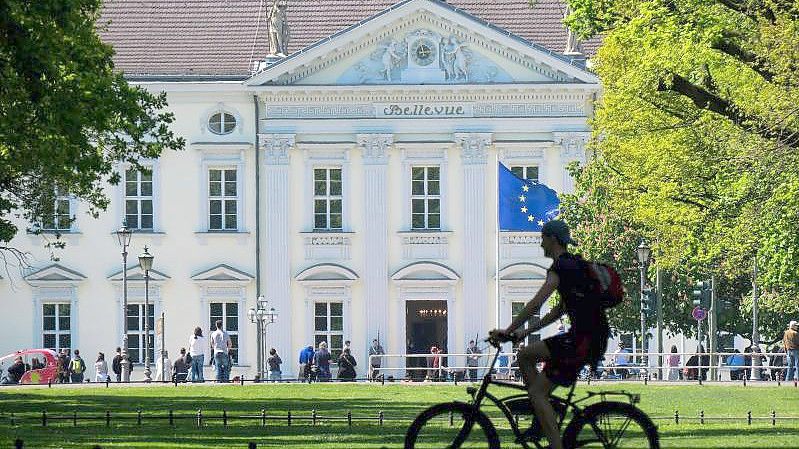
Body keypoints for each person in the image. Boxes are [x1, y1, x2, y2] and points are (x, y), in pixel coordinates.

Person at [489, 219, 610, 449]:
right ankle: (543, 414)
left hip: (581, 340)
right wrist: (525, 332)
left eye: (543, 237)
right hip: (589, 337)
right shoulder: (574, 265)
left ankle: (554, 441)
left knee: (536, 391)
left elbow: (536, 304)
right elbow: (558, 311)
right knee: (524, 356)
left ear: (552, 239)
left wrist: (509, 330)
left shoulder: (561, 267)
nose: (540, 243)